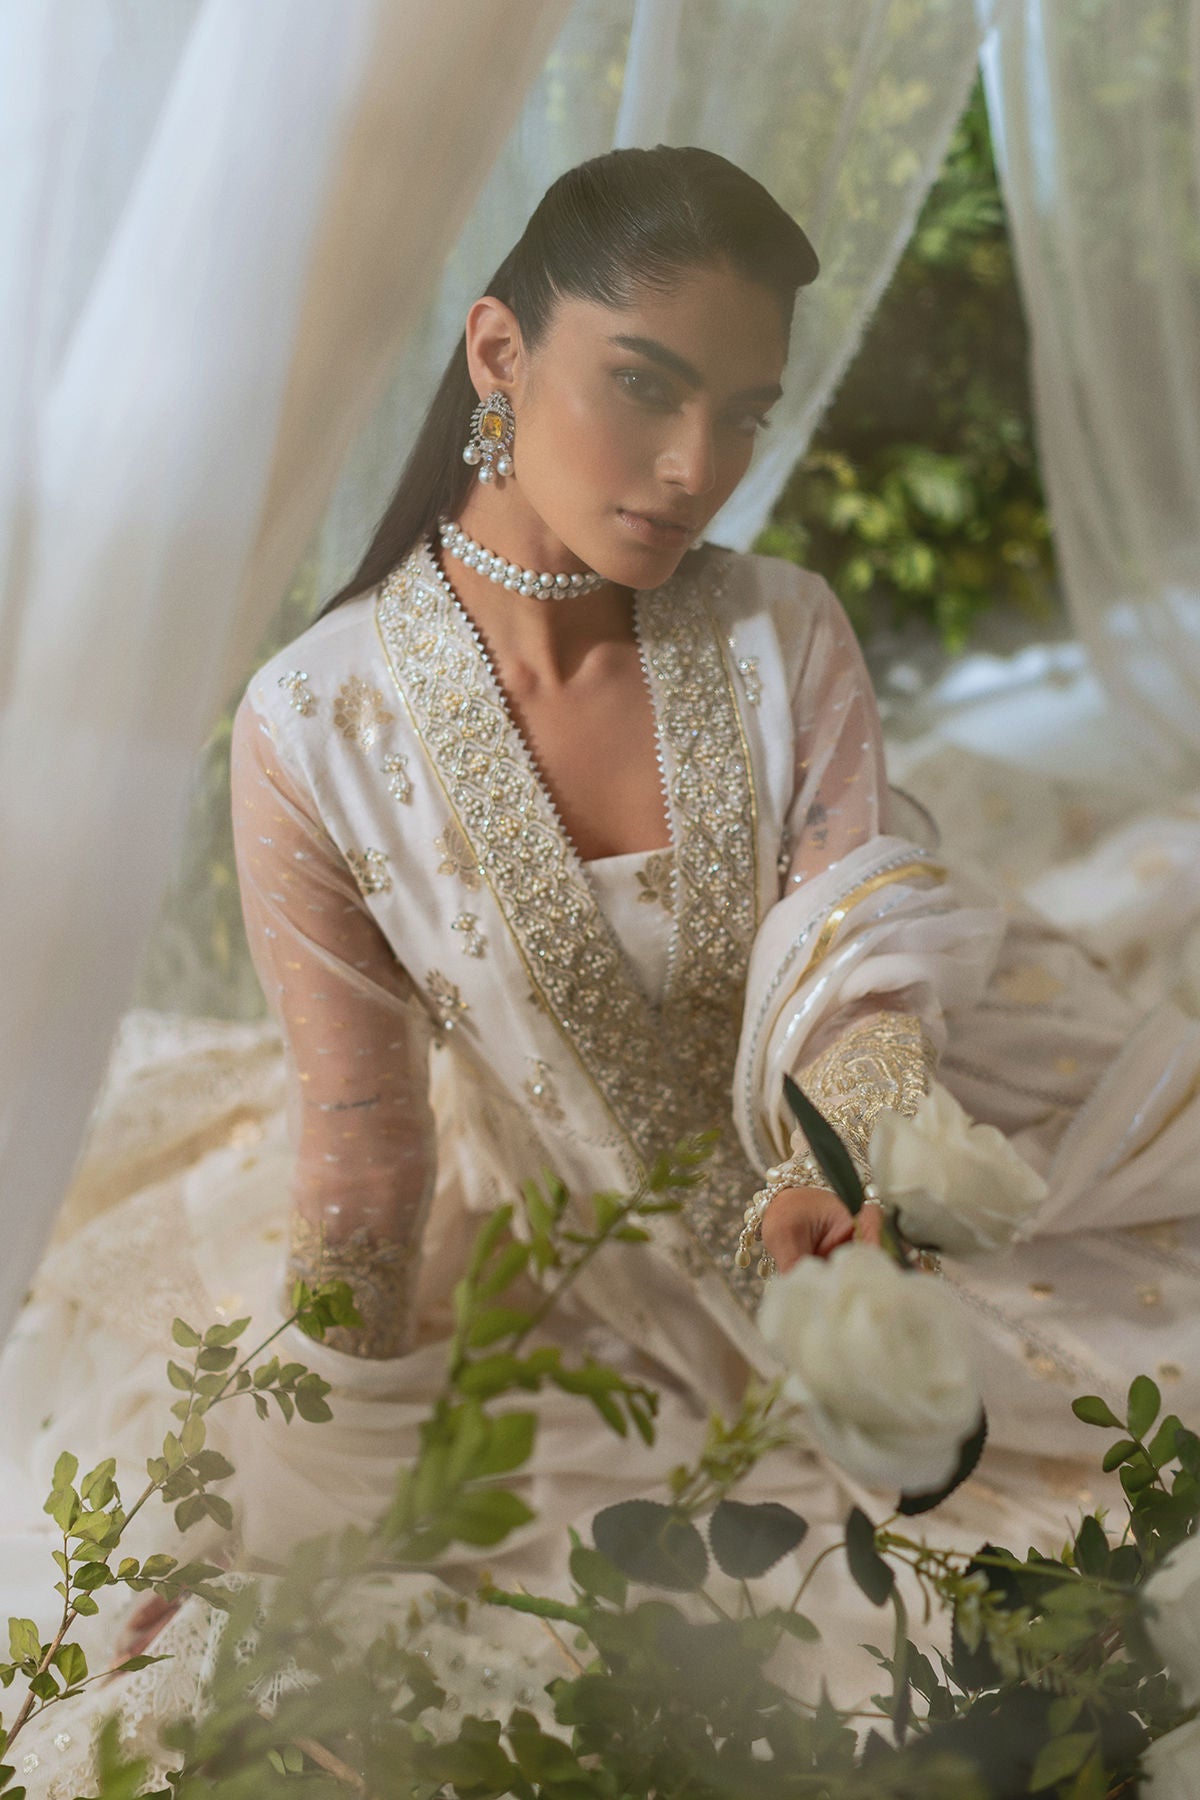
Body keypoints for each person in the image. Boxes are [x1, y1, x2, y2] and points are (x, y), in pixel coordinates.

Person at [7, 143, 1200, 1790]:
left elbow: (859, 951)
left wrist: (843, 1169)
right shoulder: (315, 728)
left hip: (925, 1148)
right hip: (602, 1276)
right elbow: (364, 1163)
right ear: (499, 352)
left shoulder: (784, 630)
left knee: (1112, 1478)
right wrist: (282, 1531)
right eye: (645, 384)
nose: (698, 465)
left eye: (744, 412)